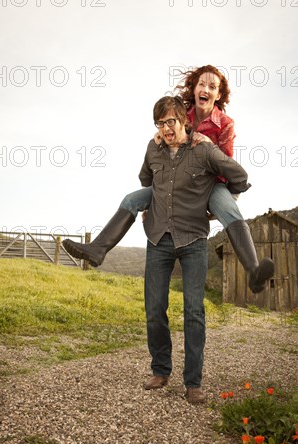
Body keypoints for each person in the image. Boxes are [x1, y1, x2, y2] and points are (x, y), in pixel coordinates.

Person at [62, 65, 274, 293]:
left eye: (212, 86)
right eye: (201, 84)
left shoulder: (225, 124)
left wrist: (209, 148)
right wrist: (161, 136)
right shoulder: (183, 113)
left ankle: (253, 271)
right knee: (132, 199)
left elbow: (226, 164)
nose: (205, 89)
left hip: (209, 184)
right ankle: (98, 249)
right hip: (175, 181)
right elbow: (166, 132)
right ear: (194, 89)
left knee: (230, 211)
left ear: (218, 95)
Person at [139, 95, 251, 404]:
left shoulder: (204, 149)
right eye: (159, 124)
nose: (165, 129)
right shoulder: (153, 148)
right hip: (158, 238)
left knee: (193, 311)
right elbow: (145, 178)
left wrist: (219, 201)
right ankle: (161, 370)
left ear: (184, 121)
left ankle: (193, 382)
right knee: (154, 309)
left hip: (193, 241)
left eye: (170, 122)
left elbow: (239, 176)